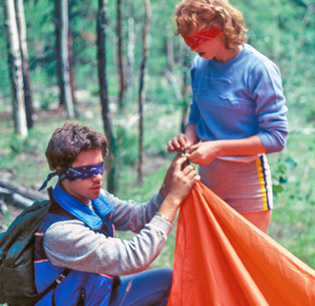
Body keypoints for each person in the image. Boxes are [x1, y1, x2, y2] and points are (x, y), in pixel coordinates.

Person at [35, 122, 200, 306]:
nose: (98, 177)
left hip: (98, 295)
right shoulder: (61, 232)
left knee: (169, 280)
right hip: (86, 301)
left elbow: (140, 217)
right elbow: (133, 258)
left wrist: (168, 186)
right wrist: (173, 200)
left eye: (99, 167)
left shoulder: (93, 198)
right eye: (87, 171)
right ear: (62, 172)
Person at [167, 0, 289, 233]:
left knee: (246, 263)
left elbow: (276, 138)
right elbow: (196, 114)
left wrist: (217, 148)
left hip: (248, 184)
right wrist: (188, 138)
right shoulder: (199, 66)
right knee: (211, 260)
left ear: (220, 28)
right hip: (207, 181)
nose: (191, 47)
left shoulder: (259, 69)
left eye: (195, 39)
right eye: (186, 40)